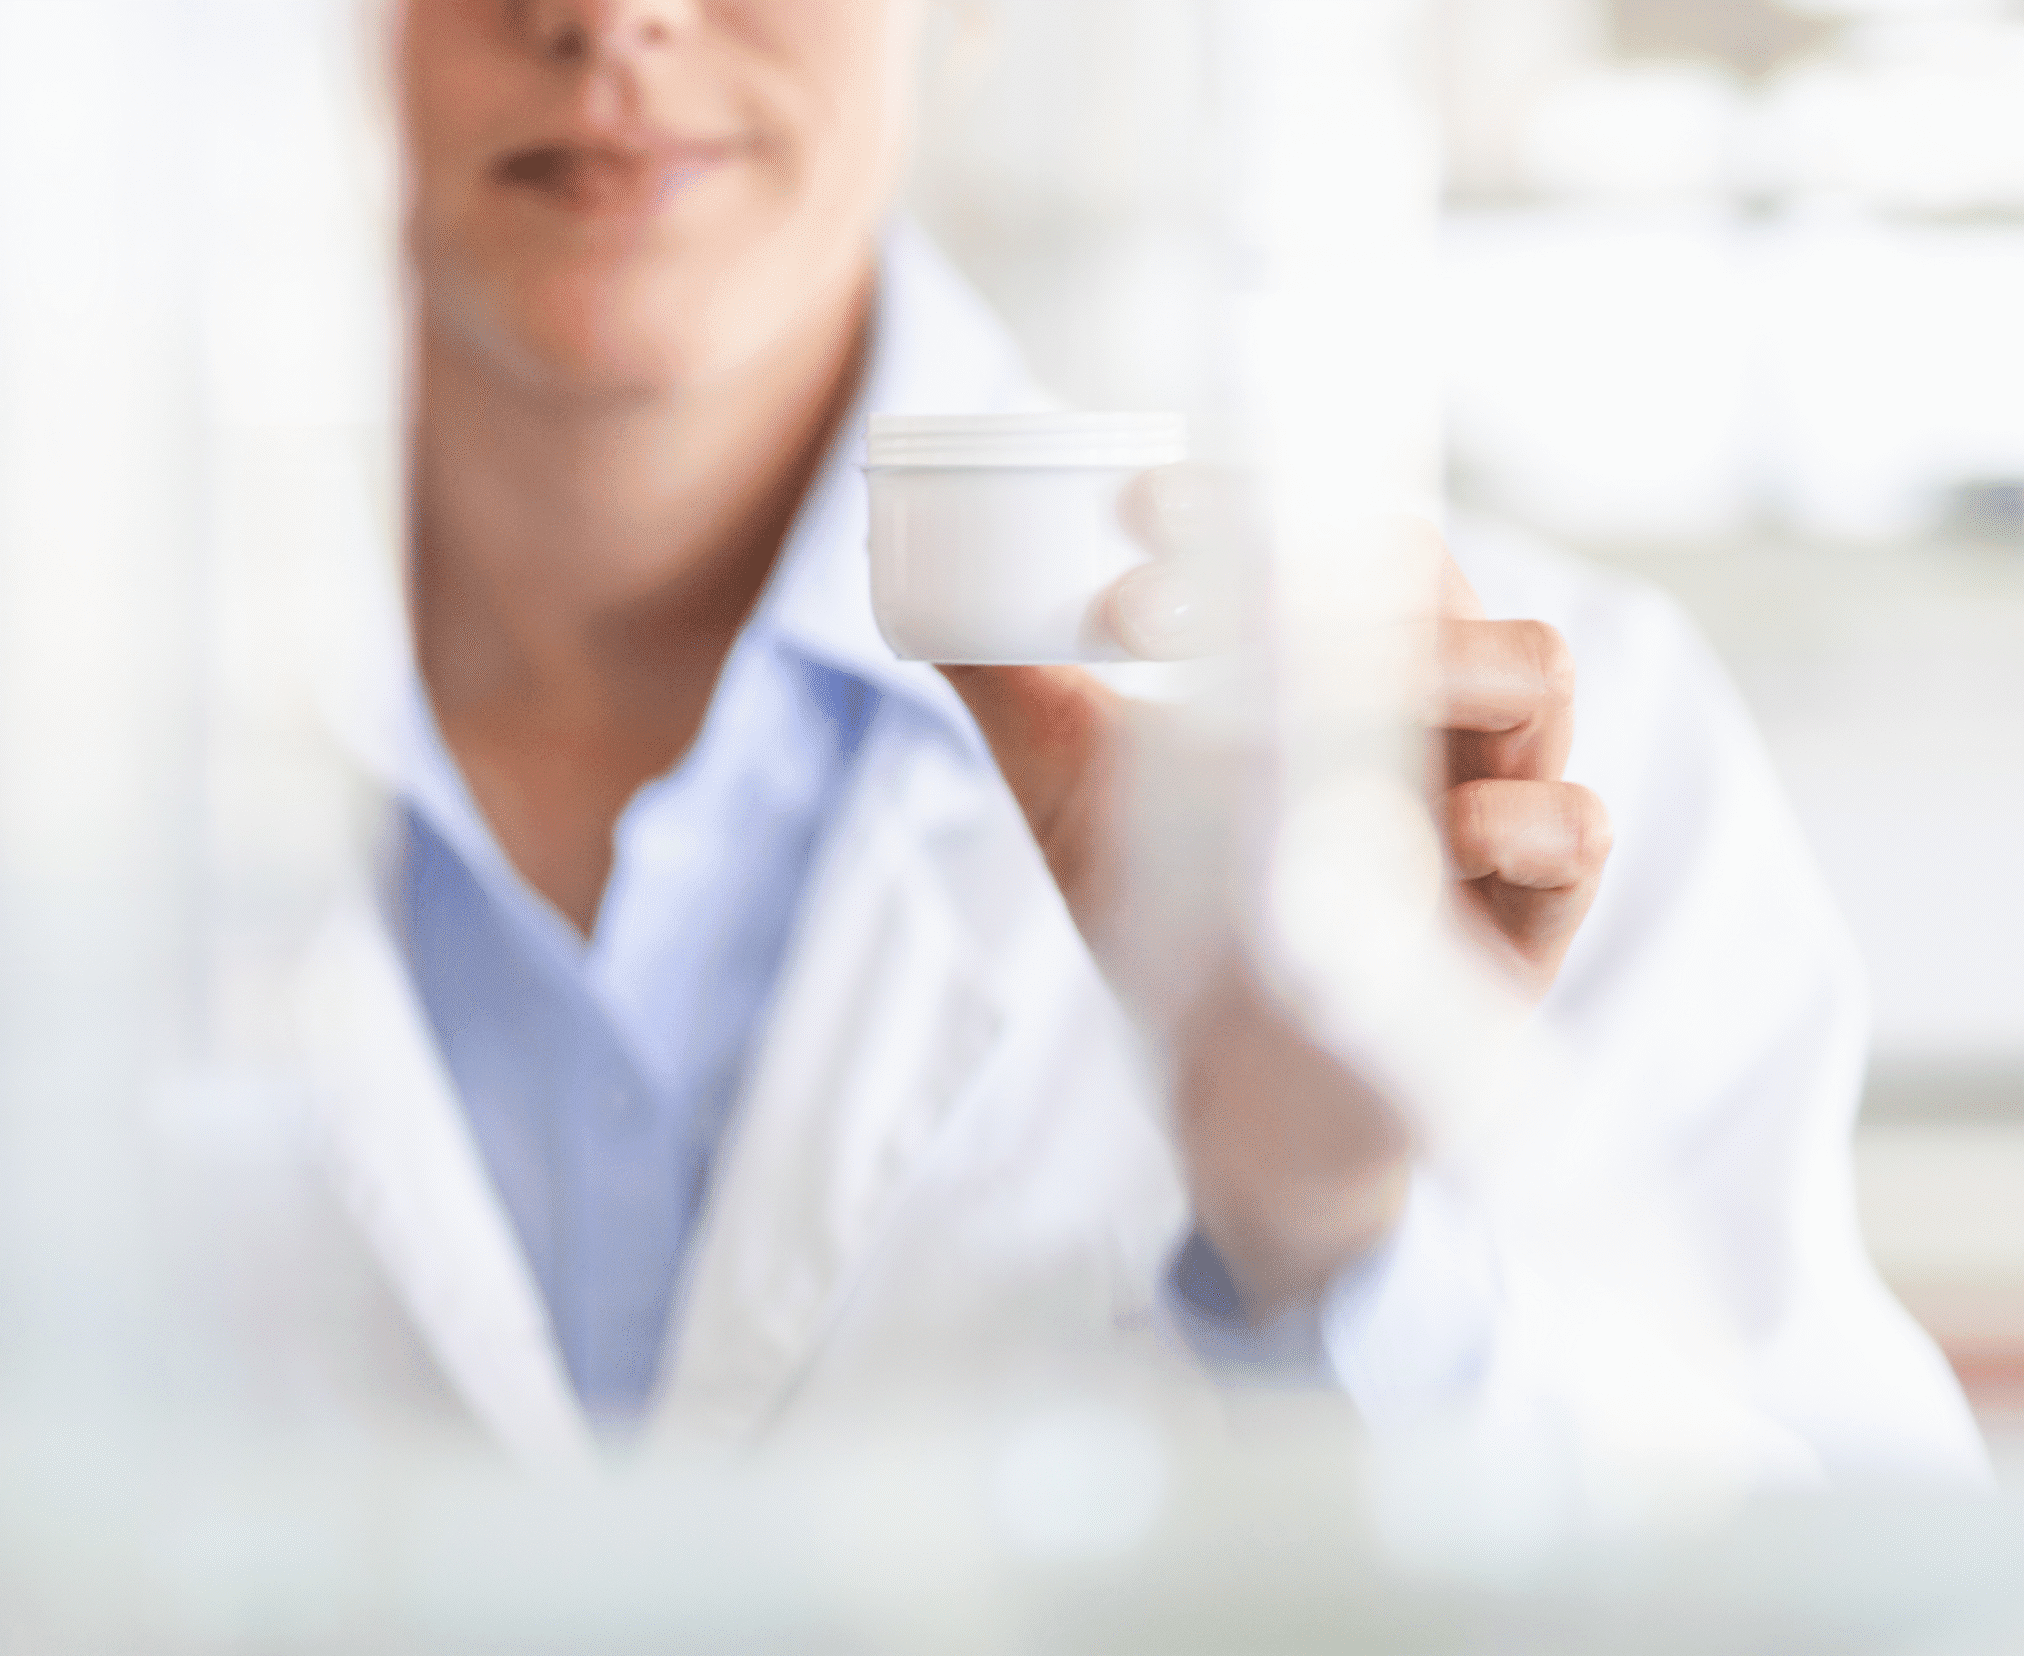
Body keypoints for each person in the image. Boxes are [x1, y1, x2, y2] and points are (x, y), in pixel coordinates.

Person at [271, 0, 1982, 1485]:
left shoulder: (1493, 754)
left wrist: (1332, 1242)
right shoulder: (92, 734)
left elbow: (1822, 1595)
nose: (611, 18)